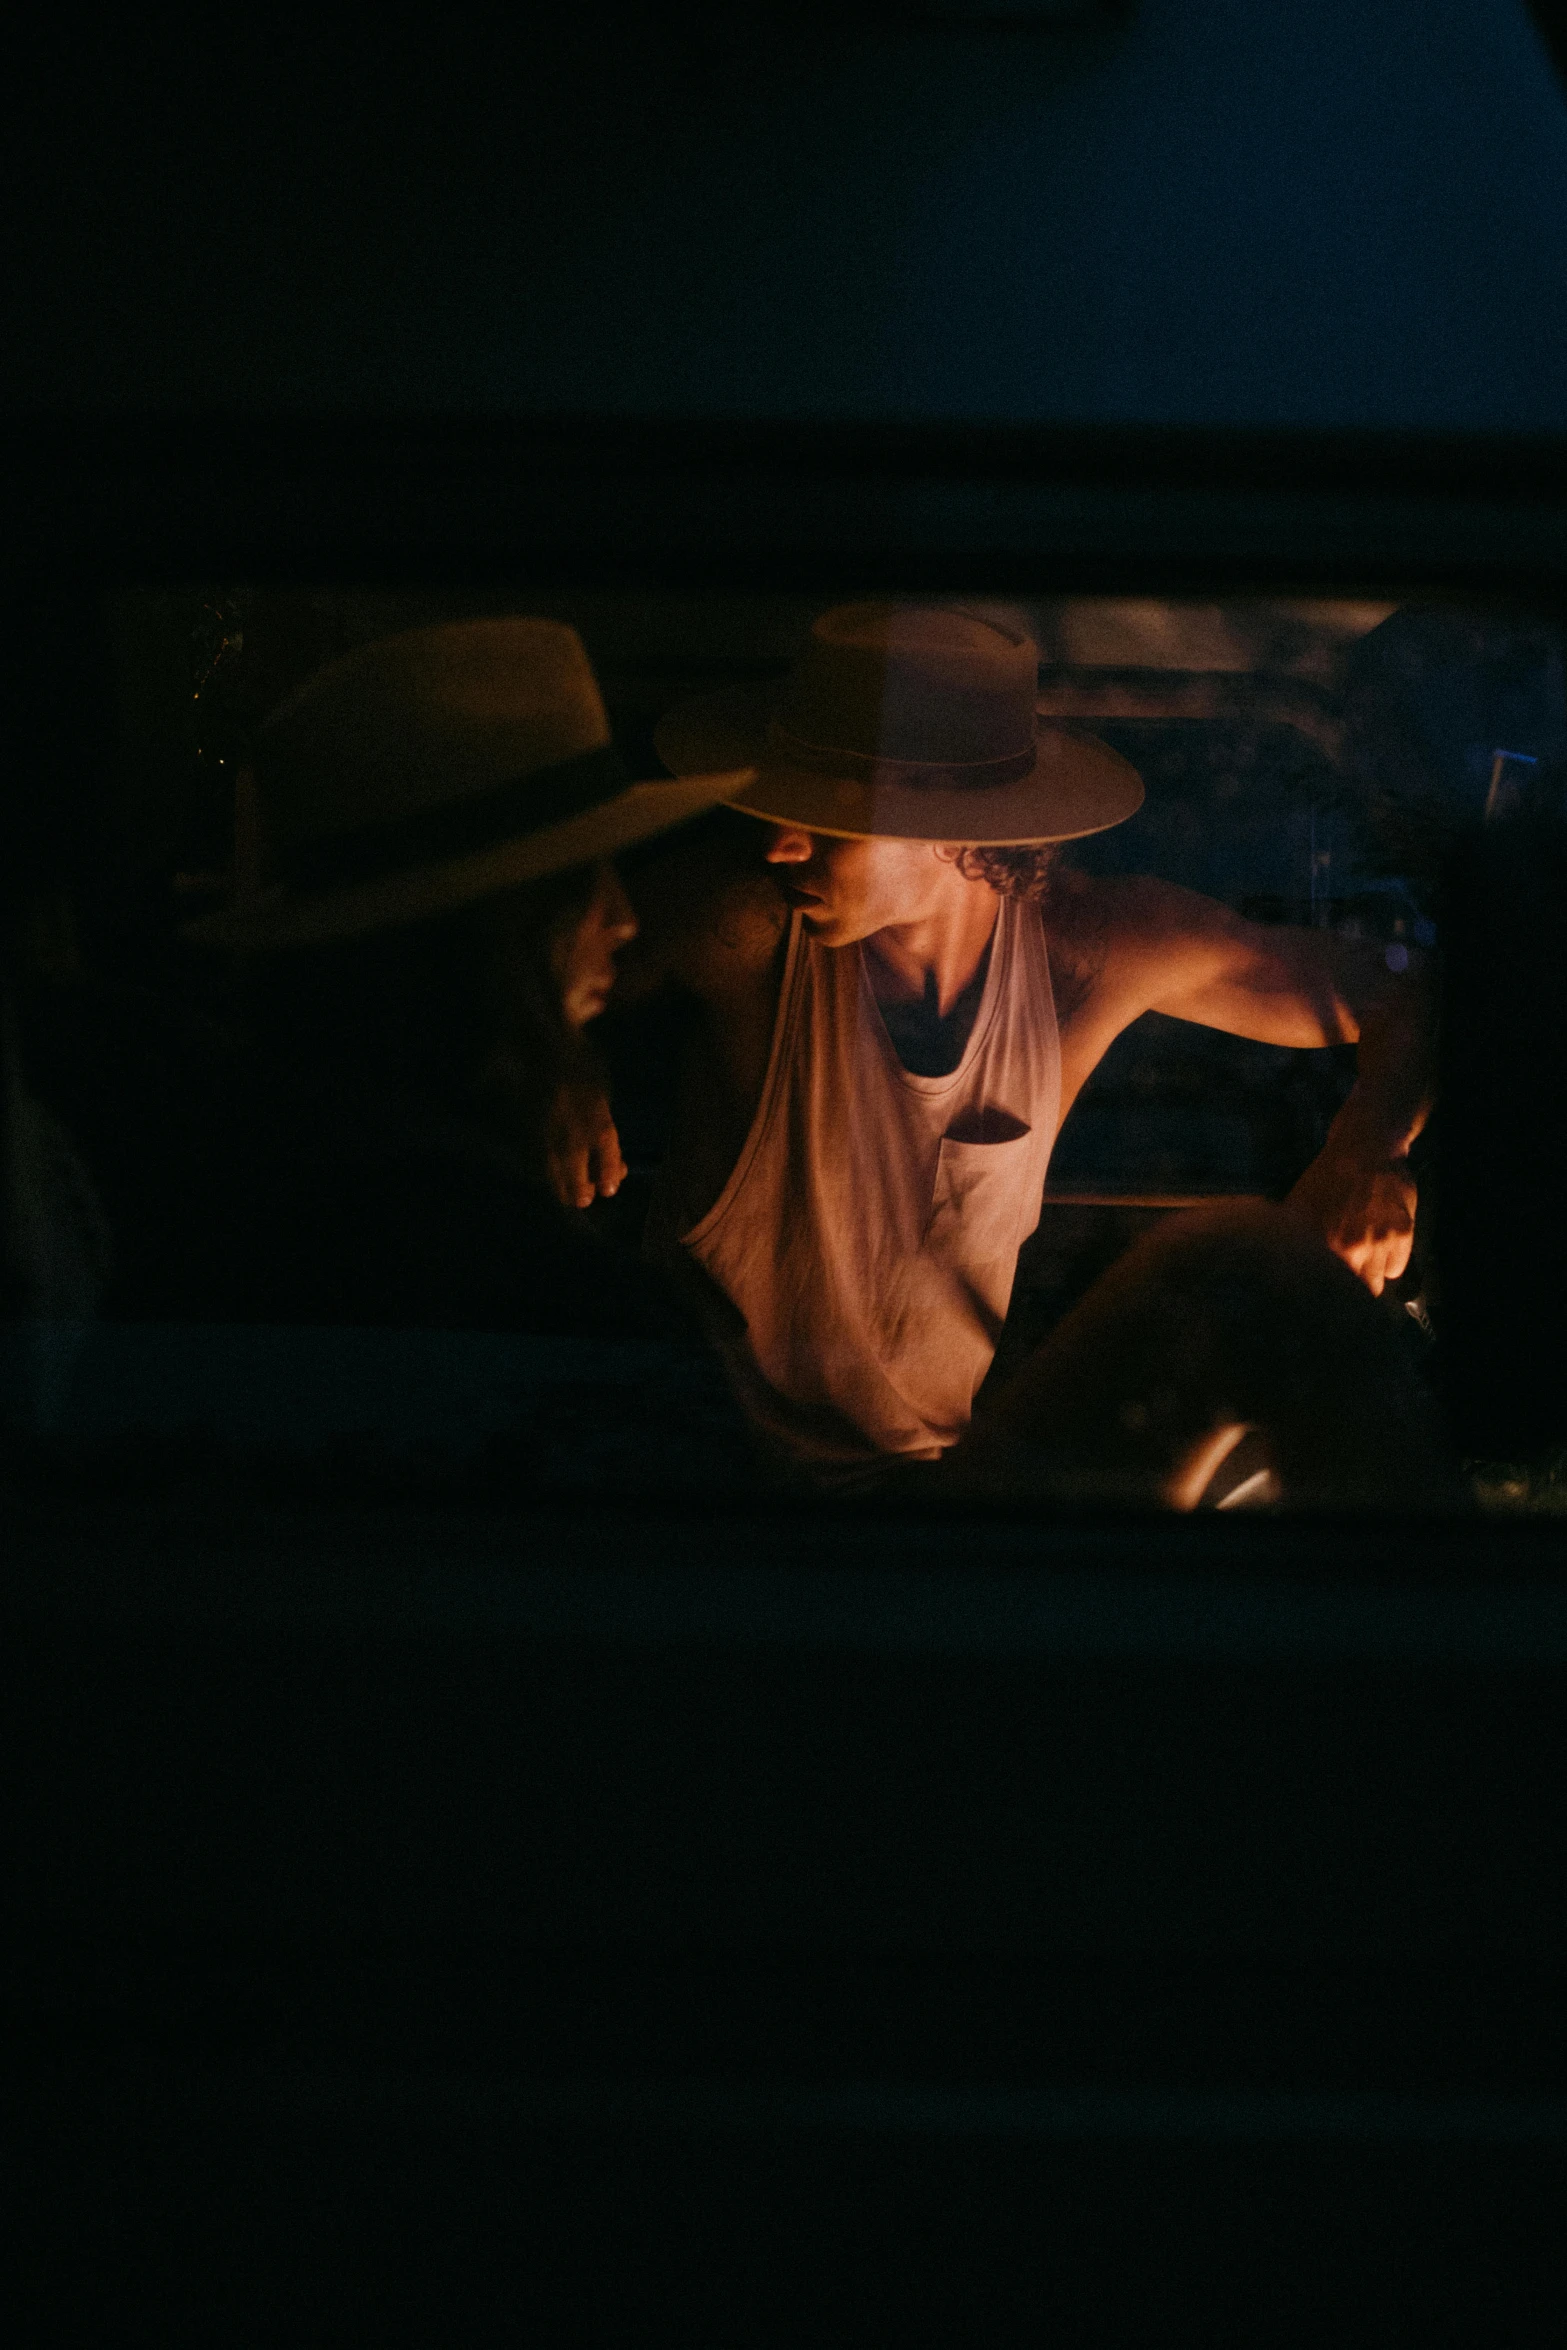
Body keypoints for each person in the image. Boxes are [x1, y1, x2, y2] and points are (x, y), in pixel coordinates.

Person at [613, 601, 1446, 1508]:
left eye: (830, 816)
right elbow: (509, 934)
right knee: (1238, 1266)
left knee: (1254, 1291)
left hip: (931, 1499)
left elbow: (1418, 994)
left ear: (956, 826)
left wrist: (1370, 1143)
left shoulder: (1084, 954)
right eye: (782, 804)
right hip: (697, 1501)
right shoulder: (745, 931)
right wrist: (544, 1050)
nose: (778, 842)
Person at [185, 617, 745, 1333]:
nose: (624, 916)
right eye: (579, 875)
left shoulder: (247, 1164)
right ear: (489, 926)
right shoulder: (538, 1291)